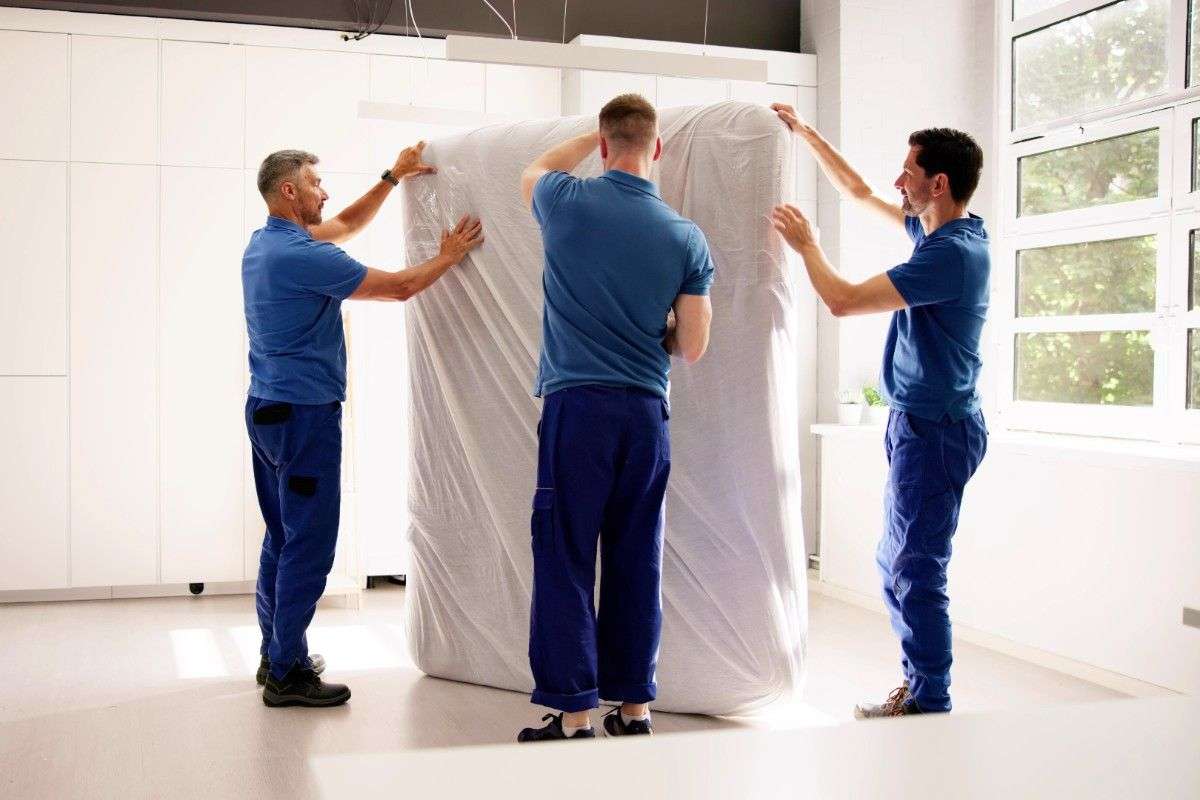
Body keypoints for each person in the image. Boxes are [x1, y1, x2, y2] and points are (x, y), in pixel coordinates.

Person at [244, 143, 483, 707]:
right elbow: (400, 287)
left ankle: (278, 654)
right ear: (288, 192)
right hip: (303, 418)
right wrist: (448, 255)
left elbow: (348, 223)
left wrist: (391, 176)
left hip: (268, 410)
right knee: (311, 543)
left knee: (283, 536)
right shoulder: (302, 257)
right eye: (315, 182)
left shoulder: (268, 246)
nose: (324, 192)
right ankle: (286, 674)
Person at [770, 103, 989, 718]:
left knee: (916, 570)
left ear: (937, 184)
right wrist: (807, 133)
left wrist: (806, 247)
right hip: (914, 423)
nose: (899, 182)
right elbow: (860, 191)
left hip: (939, 430)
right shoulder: (944, 232)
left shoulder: (952, 256)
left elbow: (840, 301)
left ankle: (929, 704)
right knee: (894, 560)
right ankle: (919, 687)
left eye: (909, 171)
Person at [515, 94, 714, 741]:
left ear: (604, 146)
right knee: (636, 556)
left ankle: (574, 714)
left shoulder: (564, 202)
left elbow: (534, 168)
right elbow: (692, 345)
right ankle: (633, 709)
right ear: (657, 149)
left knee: (566, 552)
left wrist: (582, 133)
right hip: (645, 416)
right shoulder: (685, 236)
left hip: (578, 409)